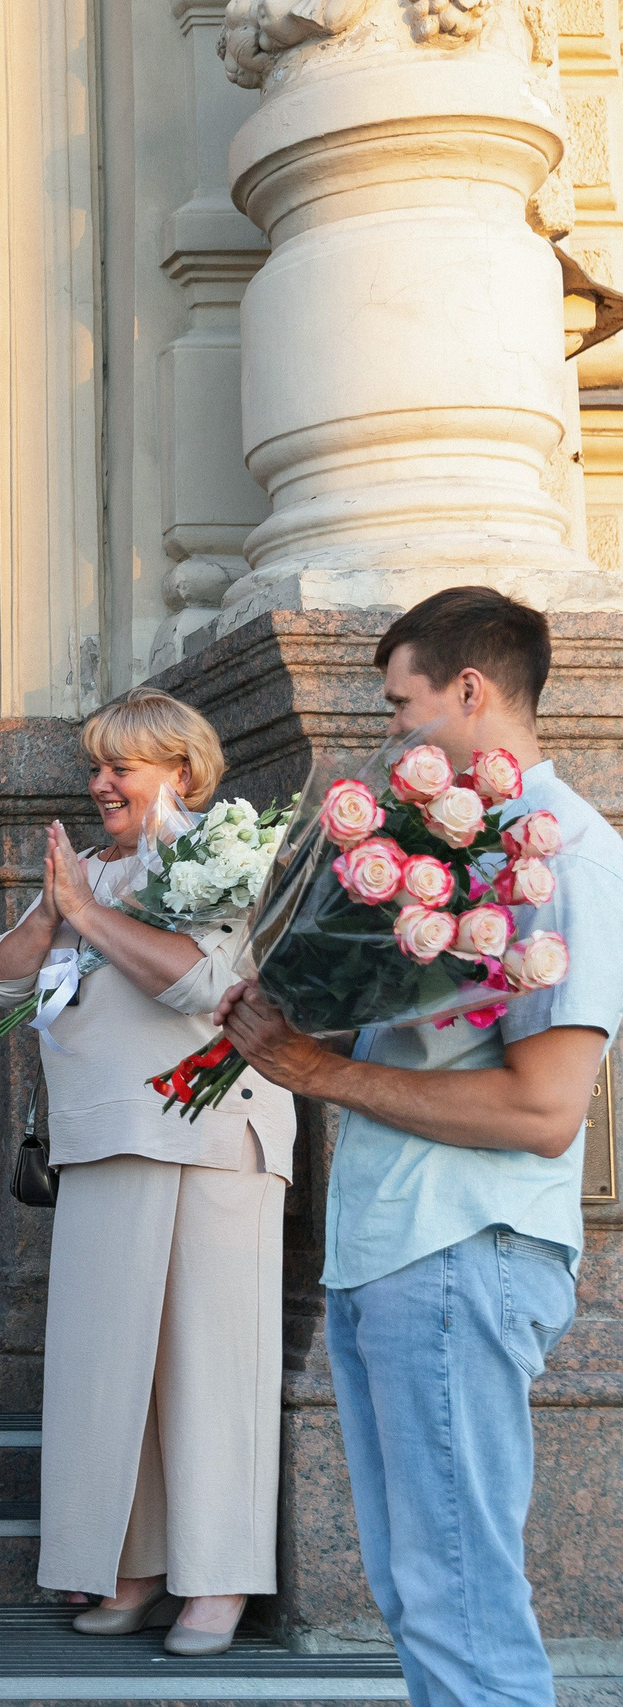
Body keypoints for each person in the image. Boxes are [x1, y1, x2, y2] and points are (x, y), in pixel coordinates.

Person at [218, 587, 622, 1707]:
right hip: (398, 1246)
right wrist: (303, 1013)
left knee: (457, 1594)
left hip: (460, 1248)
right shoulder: (452, 845)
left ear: (469, 690)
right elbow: (429, 1034)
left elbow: (545, 1110)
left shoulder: (562, 856)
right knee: (420, 1589)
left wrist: (318, 1073)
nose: (391, 732)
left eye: (401, 706)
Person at [0, 686, 297, 1657]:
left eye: (122, 766)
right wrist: (54, 909)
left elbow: (204, 983)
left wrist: (88, 912)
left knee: (210, 1367)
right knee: (112, 1373)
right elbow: (0, 977)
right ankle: (137, 1564)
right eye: (95, 766)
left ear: (182, 771)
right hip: (103, 1140)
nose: (100, 783)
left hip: (211, 1140)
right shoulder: (90, 870)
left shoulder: (222, 852)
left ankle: (219, 1578)